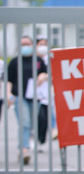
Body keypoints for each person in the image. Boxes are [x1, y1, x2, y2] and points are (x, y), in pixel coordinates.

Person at [5, 36, 48, 165]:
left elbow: (46, 74)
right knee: (25, 124)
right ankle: (24, 150)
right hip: (20, 96)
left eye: (27, 44)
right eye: (23, 44)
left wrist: (42, 76)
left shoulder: (38, 60)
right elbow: (9, 80)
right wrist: (8, 94)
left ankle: (22, 147)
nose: (25, 46)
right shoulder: (14, 62)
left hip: (35, 97)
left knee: (31, 124)